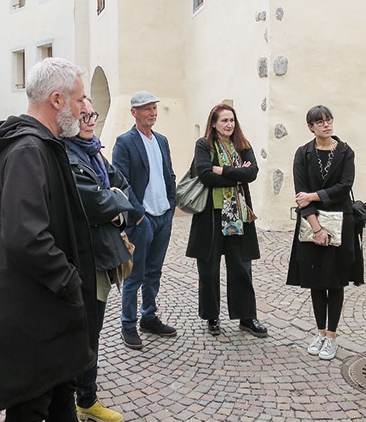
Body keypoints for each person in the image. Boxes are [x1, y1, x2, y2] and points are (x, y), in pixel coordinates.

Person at [0, 57, 96, 422]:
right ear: (56, 100)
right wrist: (69, 281)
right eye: (78, 100)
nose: (82, 109)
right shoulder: (29, 150)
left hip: (46, 313)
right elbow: (26, 236)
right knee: (30, 408)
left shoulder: (42, 144)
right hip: (34, 315)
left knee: (59, 400)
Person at [64, 98, 132, 422]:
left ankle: (84, 397)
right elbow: (96, 203)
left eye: (92, 114)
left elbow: (124, 189)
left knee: (93, 330)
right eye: (83, 116)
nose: (90, 121)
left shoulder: (93, 152)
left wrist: (118, 210)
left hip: (101, 255)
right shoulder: (68, 155)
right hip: (86, 258)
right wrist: (116, 210)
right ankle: (83, 399)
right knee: (86, 332)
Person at [287, 105, 363, 361]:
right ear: (311, 127)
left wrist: (315, 196)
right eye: (320, 122)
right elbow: (300, 194)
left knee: (336, 280)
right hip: (311, 224)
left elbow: (344, 186)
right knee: (316, 281)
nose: (326, 125)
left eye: (328, 120)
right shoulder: (303, 153)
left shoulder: (344, 152)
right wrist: (316, 227)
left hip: (342, 222)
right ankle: (320, 332)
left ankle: (332, 336)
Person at [185, 103, 267, 338]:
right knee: (209, 269)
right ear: (213, 123)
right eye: (224, 121)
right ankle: (212, 316)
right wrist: (237, 175)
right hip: (211, 216)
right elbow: (205, 175)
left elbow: (252, 173)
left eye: (231, 120)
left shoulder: (243, 145)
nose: (229, 124)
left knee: (242, 266)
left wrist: (223, 170)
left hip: (238, 215)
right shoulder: (204, 145)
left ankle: (247, 317)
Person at [111, 90, 178, 349]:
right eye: (147, 109)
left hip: (163, 215)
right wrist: (138, 215)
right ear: (134, 112)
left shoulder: (161, 140)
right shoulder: (125, 142)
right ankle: (128, 324)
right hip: (143, 219)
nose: (152, 113)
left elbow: (168, 174)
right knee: (134, 274)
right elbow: (121, 182)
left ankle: (148, 316)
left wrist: (172, 205)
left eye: (154, 108)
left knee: (154, 272)